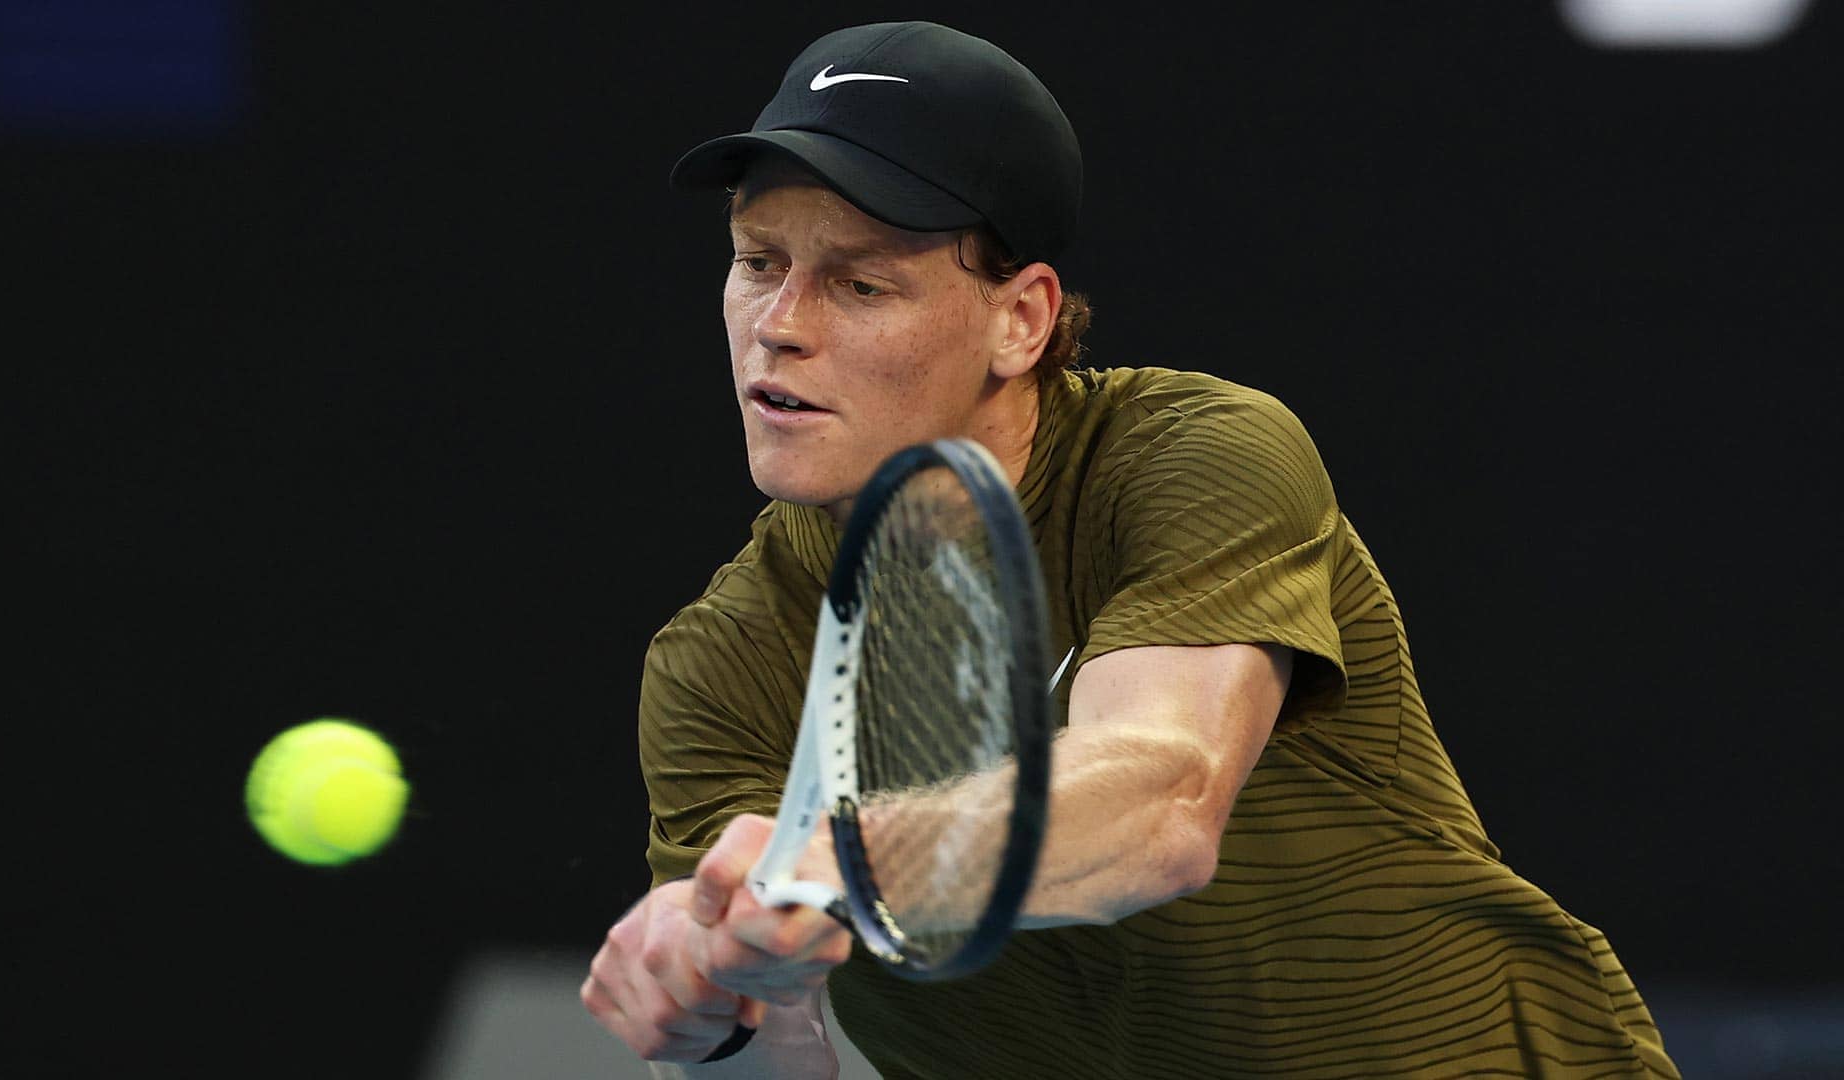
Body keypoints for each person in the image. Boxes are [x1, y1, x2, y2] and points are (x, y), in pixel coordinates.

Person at [581, 20, 1678, 1079]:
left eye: (861, 283)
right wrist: (709, 1013)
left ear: (1021, 320)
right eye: (758, 261)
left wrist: (842, 862)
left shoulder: (1194, 455)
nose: (779, 323)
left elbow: (1161, 805)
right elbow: (772, 1046)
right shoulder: (718, 666)